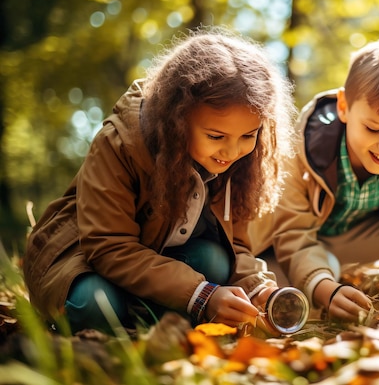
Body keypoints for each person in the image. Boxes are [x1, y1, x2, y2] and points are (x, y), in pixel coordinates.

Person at [22, 27, 297, 334]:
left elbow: (237, 248)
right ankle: (137, 324)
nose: (233, 151)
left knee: (216, 261)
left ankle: (151, 324)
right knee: (95, 305)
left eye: (249, 135)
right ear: (177, 119)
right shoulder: (119, 144)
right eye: (216, 136)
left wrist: (258, 289)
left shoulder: (234, 163)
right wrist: (202, 295)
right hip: (81, 262)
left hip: (156, 263)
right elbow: (109, 247)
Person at [248, 39, 379, 322]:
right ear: (344, 107)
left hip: (350, 241)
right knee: (299, 287)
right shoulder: (305, 147)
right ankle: (324, 280)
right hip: (300, 242)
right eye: (374, 128)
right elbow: (294, 234)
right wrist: (324, 286)